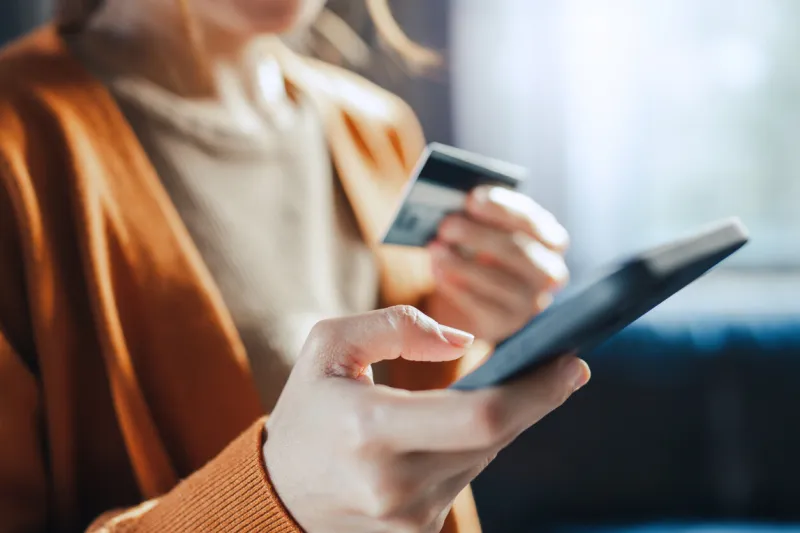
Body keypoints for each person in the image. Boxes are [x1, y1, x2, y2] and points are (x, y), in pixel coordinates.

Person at [0, 0, 589, 531]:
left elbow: (395, 448)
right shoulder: (18, 148)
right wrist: (274, 496)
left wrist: (462, 323)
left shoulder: (373, 127)